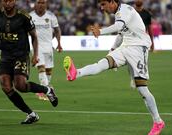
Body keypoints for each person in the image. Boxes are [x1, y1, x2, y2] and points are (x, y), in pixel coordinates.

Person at [63, 0, 165, 135]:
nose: (102, 8)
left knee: (142, 89)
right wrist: (112, 49)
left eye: (104, 4)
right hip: (125, 47)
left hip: (139, 48)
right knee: (102, 64)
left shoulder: (126, 10)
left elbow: (118, 26)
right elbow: (121, 33)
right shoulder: (118, 13)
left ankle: (158, 122)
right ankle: (76, 73)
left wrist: (101, 31)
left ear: (112, 2)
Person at [0, 0, 58, 124]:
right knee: (5, 86)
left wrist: (35, 55)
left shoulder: (23, 17)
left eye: (10, 1)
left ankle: (48, 91)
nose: (7, 3)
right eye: (5, 1)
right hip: (6, 56)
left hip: (21, 55)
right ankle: (31, 114)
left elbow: (34, 36)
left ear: (14, 2)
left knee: (20, 86)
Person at [30, 0, 62, 100]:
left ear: (46, 4)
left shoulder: (51, 16)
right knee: (41, 68)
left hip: (48, 46)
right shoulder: (30, 16)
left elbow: (57, 30)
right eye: (39, 2)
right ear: (35, 4)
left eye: (43, 2)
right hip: (37, 47)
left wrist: (59, 43)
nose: (40, 5)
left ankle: (42, 90)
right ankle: (47, 91)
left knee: (48, 70)